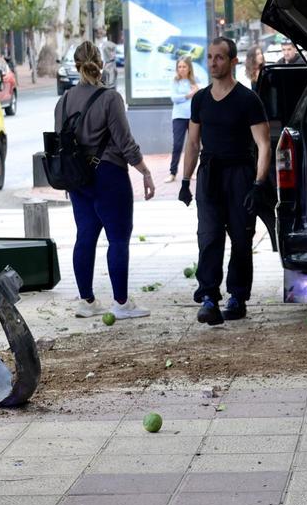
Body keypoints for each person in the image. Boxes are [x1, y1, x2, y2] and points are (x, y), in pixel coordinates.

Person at [55, 41, 155, 320]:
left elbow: (61, 144)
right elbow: (125, 142)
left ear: (76, 66)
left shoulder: (62, 102)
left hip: (77, 179)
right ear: (102, 64)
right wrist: (145, 171)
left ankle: (86, 302)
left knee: (84, 237)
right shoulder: (111, 99)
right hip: (109, 175)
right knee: (118, 239)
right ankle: (121, 303)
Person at [177, 37, 273, 325]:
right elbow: (192, 144)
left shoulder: (247, 99)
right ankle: (208, 297)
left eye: (219, 57)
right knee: (209, 237)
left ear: (233, 61)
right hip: (210, 176)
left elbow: (264, 144)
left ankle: (237, 297)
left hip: (240, 174)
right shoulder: (201, 99)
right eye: (209, 57)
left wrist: (258, 184)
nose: (213, 62)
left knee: (242, 240)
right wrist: (185, 180)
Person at [167, 57, 199, 183]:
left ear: (189, 68)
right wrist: (189, 95)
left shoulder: (195, 81)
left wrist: (196, 91)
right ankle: (172, 173)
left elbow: (200, 94)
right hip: (179, 116)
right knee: (177, 145)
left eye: (184, 66)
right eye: (179, 67)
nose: (181, 69)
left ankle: (193, 171)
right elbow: (174, 98)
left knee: (194, 145)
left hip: (193, 117)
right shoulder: (175, 81)